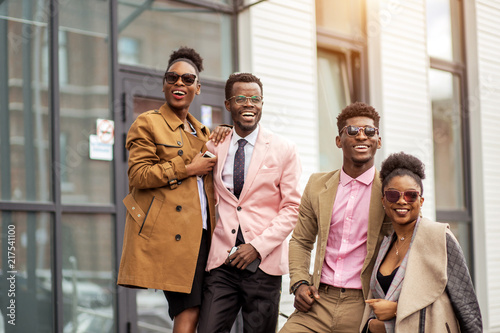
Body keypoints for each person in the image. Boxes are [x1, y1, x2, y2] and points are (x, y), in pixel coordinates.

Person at [117, 47, 223, 333]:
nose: (179, 83)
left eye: (188, 79)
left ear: (197, 88)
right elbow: (138, 175)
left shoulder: (202, 132)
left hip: (203, 235)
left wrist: (223, 133)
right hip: (172, 235)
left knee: (202, 312)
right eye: (172, 77)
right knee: (188, 311)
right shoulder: (148, 122)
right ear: (164, 83)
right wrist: (187, 168)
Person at [197, 73, 302, 332]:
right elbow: (200, 187)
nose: (249, 104)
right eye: (241, 98)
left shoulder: (283, 149)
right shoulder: (214, 144)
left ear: (262, 104)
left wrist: (256, 246)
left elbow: (292, 208)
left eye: (255, 99)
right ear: (228, 104)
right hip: (222, 263)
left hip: (263, 266)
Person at [280, 102, 392, 333]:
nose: (362, 136)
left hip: (363, 304)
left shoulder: (389, 190)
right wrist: (300, 282)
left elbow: (410, 240)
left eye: (369, 131)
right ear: (339, 140)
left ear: (378, 141)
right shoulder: (317, 185)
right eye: (352, 130)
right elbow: (301, 241)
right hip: (318, 301)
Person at [360, 152, 482, 332]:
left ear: (421, 201)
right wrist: (372, 325)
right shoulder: (384, 245)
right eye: (393, 195)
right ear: (384, 201)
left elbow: (467, 308)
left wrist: (396, 310)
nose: (402, 201)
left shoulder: (439, 237)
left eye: (411, 195)